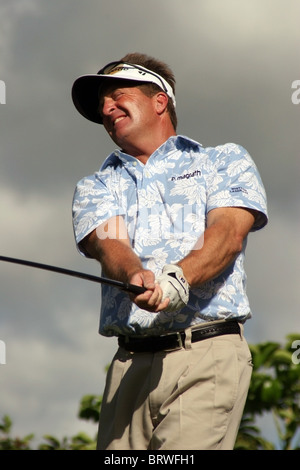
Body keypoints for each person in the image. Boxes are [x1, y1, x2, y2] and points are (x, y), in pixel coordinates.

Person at [71, 52, 268, 450]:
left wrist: (178, 277)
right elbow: (110, 242)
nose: (106, 109)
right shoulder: (96, 185)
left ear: (159, 100)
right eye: (102, 105)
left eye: (117, 96)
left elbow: (227, 232)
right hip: (127, 367)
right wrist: (134, 275)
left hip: (205, 353)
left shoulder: (222, 160)